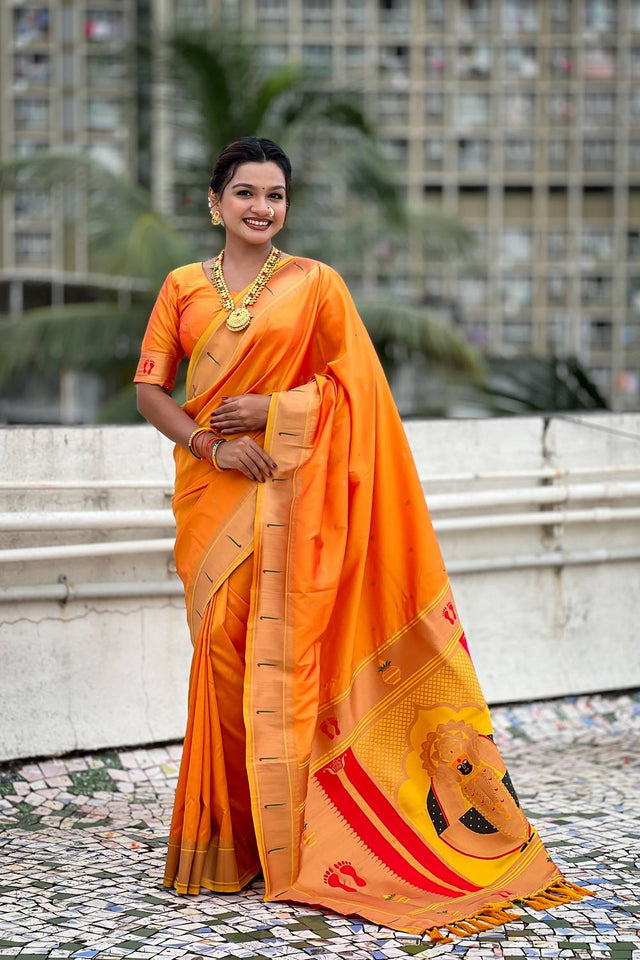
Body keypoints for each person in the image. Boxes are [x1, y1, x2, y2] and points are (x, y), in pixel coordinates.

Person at [134, 136, 588, 939]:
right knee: (224, 659)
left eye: (275, 196)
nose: (261, 209)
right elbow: (150, 387)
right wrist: (208, 443)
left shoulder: (317, 287)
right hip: (212, 498)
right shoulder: (180, 288)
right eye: (245, 194)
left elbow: (357, 391)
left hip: (289, 496)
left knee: (287, 659)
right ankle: (226, 842)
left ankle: (293, 842)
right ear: (215, 204)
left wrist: (273, 412)